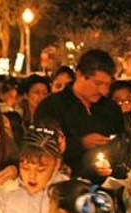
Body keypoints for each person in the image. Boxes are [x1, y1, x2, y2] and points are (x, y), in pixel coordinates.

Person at [35, 49, 125, 177]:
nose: (103, 91)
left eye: (107, 85)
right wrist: (80, 143)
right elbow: (41, 147)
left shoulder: (111, 108)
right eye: (98, 83)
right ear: (79, 75)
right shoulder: (51, 106)